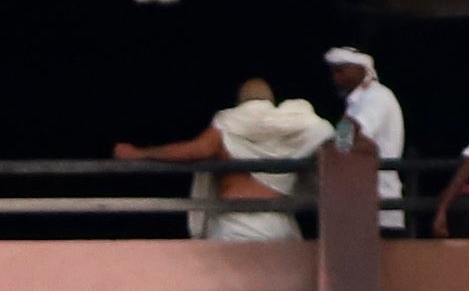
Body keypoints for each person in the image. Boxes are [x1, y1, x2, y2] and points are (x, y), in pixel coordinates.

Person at [136, 75, 331, 243]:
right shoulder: (296, 126)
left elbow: (198, 149)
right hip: (278, 225)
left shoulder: (229, 123)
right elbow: (338, 140)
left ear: (240, 102)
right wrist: (353, 126)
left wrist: (141, 153)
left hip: (235, 226)